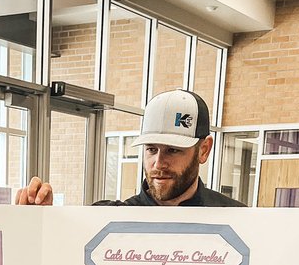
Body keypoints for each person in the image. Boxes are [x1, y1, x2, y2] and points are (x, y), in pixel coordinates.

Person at [15, 89, 243, 209]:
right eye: (151, 149)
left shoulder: (238, 221)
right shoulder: (108, 219)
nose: (158, 163)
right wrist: (41, 221)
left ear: (204, 150)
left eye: (173, 150)